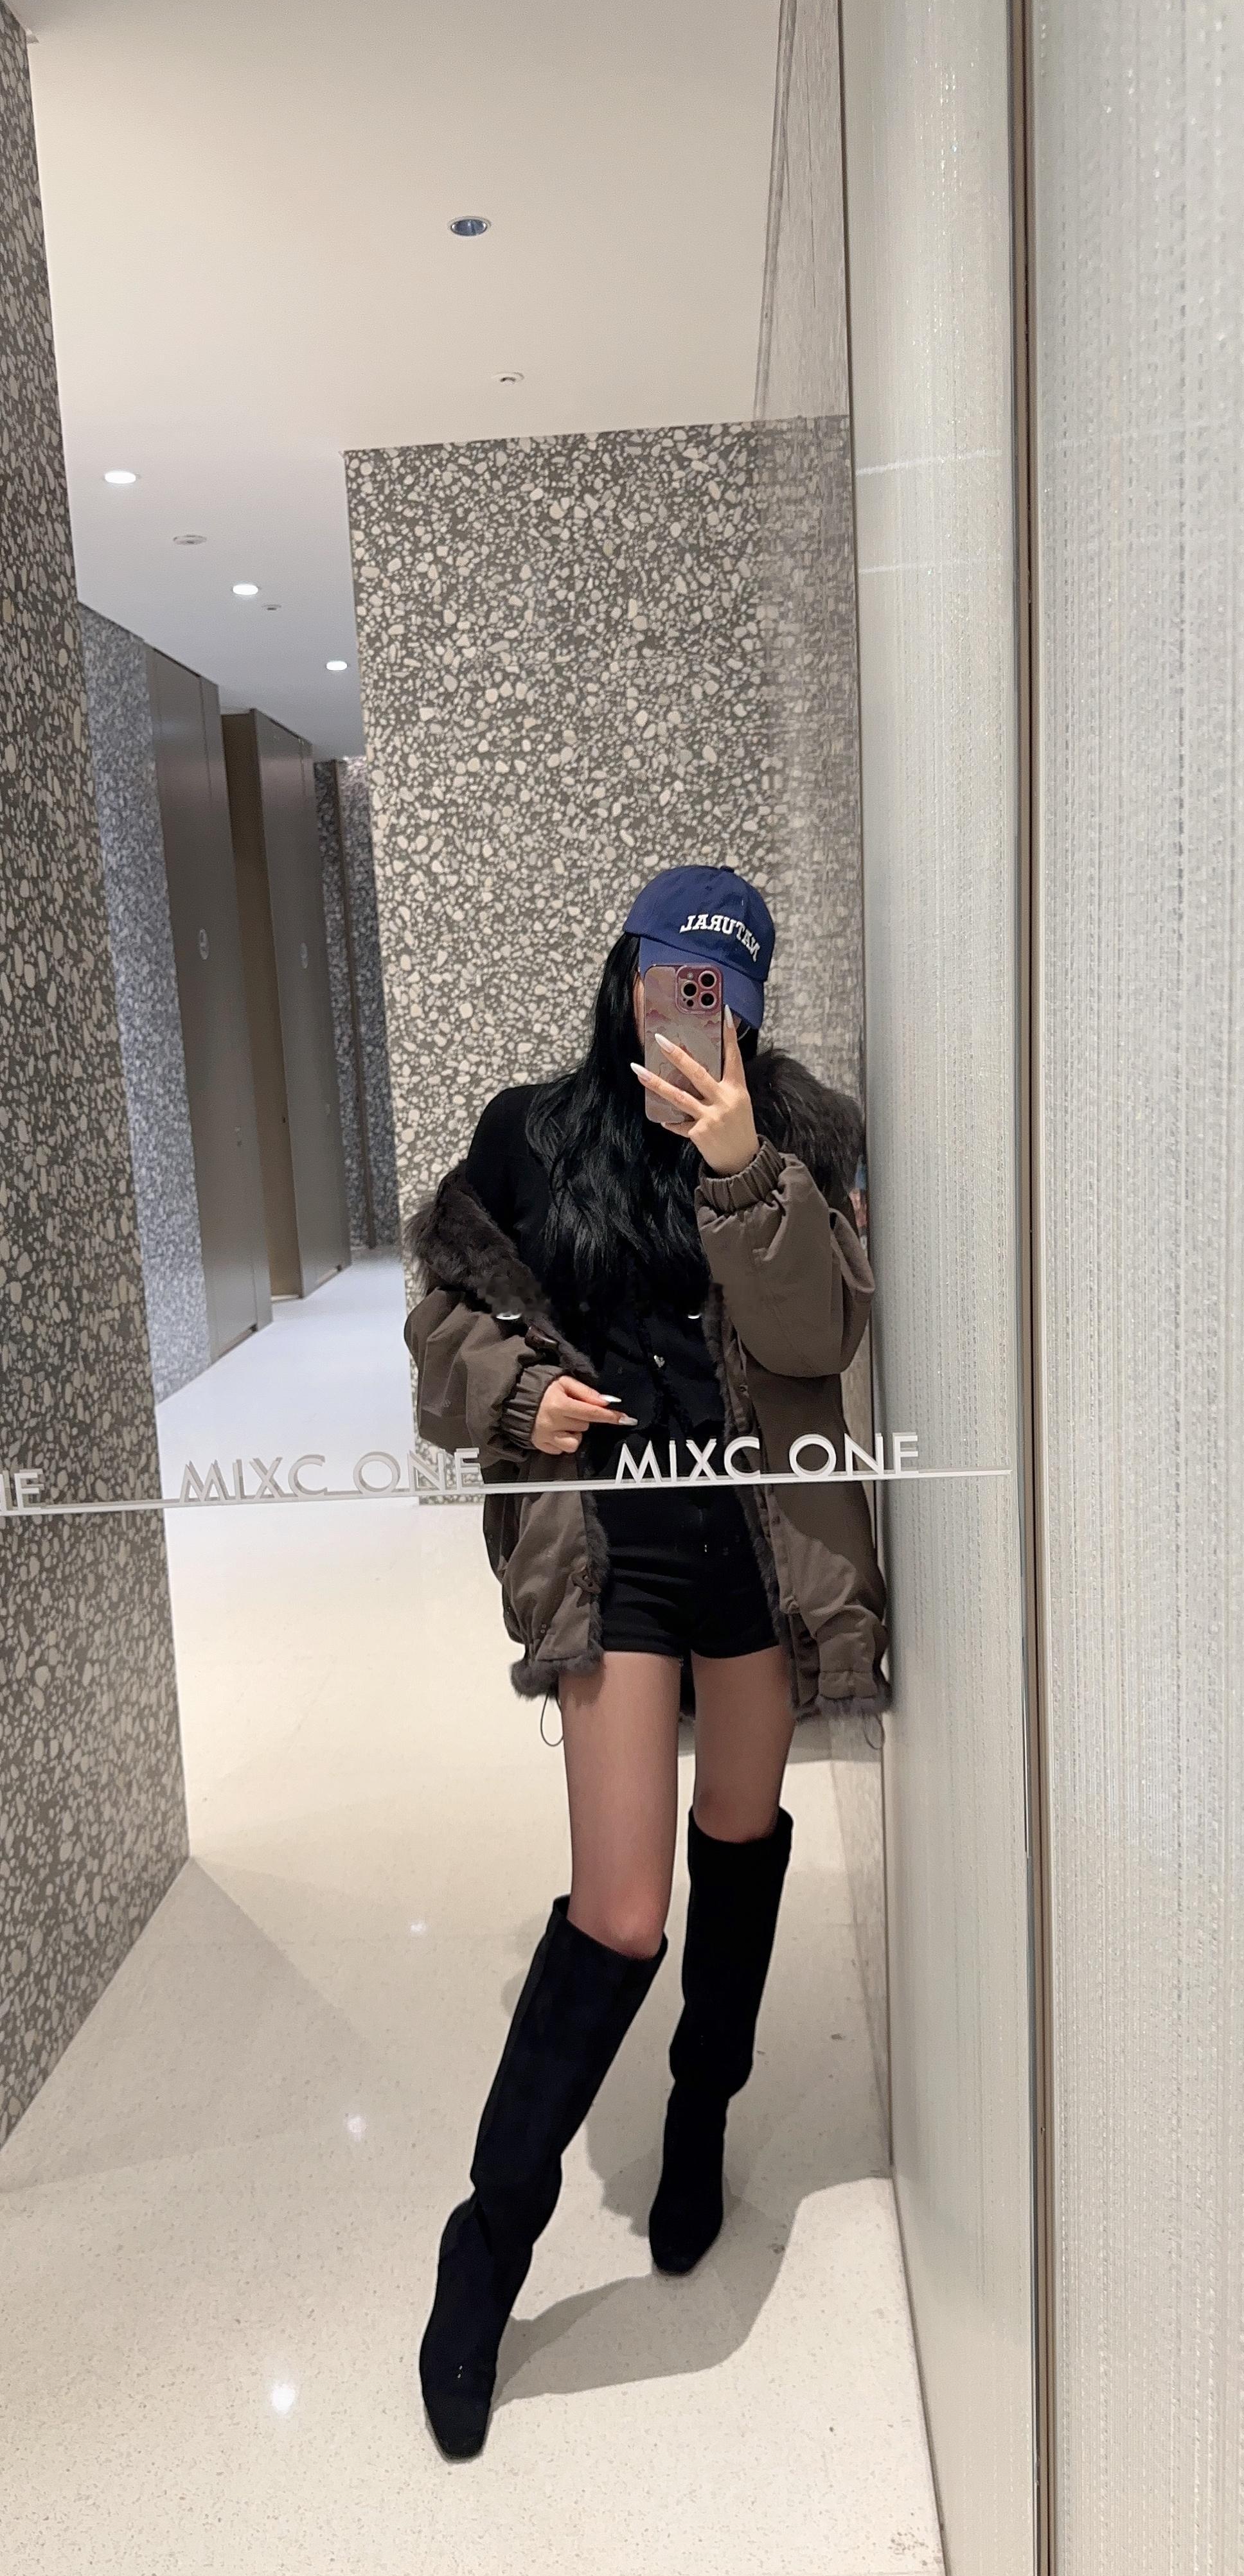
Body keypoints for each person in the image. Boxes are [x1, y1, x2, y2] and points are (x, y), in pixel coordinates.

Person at [405, 864, 887, 2457]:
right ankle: (488, 2245)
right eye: (671, 979)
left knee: (739, 1841)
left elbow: (818, 1340)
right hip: (611, 1552)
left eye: (719, 993)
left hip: (755, 1550)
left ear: (750, 1007)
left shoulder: (801, 1136)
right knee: (620, 1910)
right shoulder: (532, 1136)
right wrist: (519, 1395)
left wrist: (747, 1171)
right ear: (627, 973)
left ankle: (701, 2111)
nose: (690, 1012)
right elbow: (443, 1330)